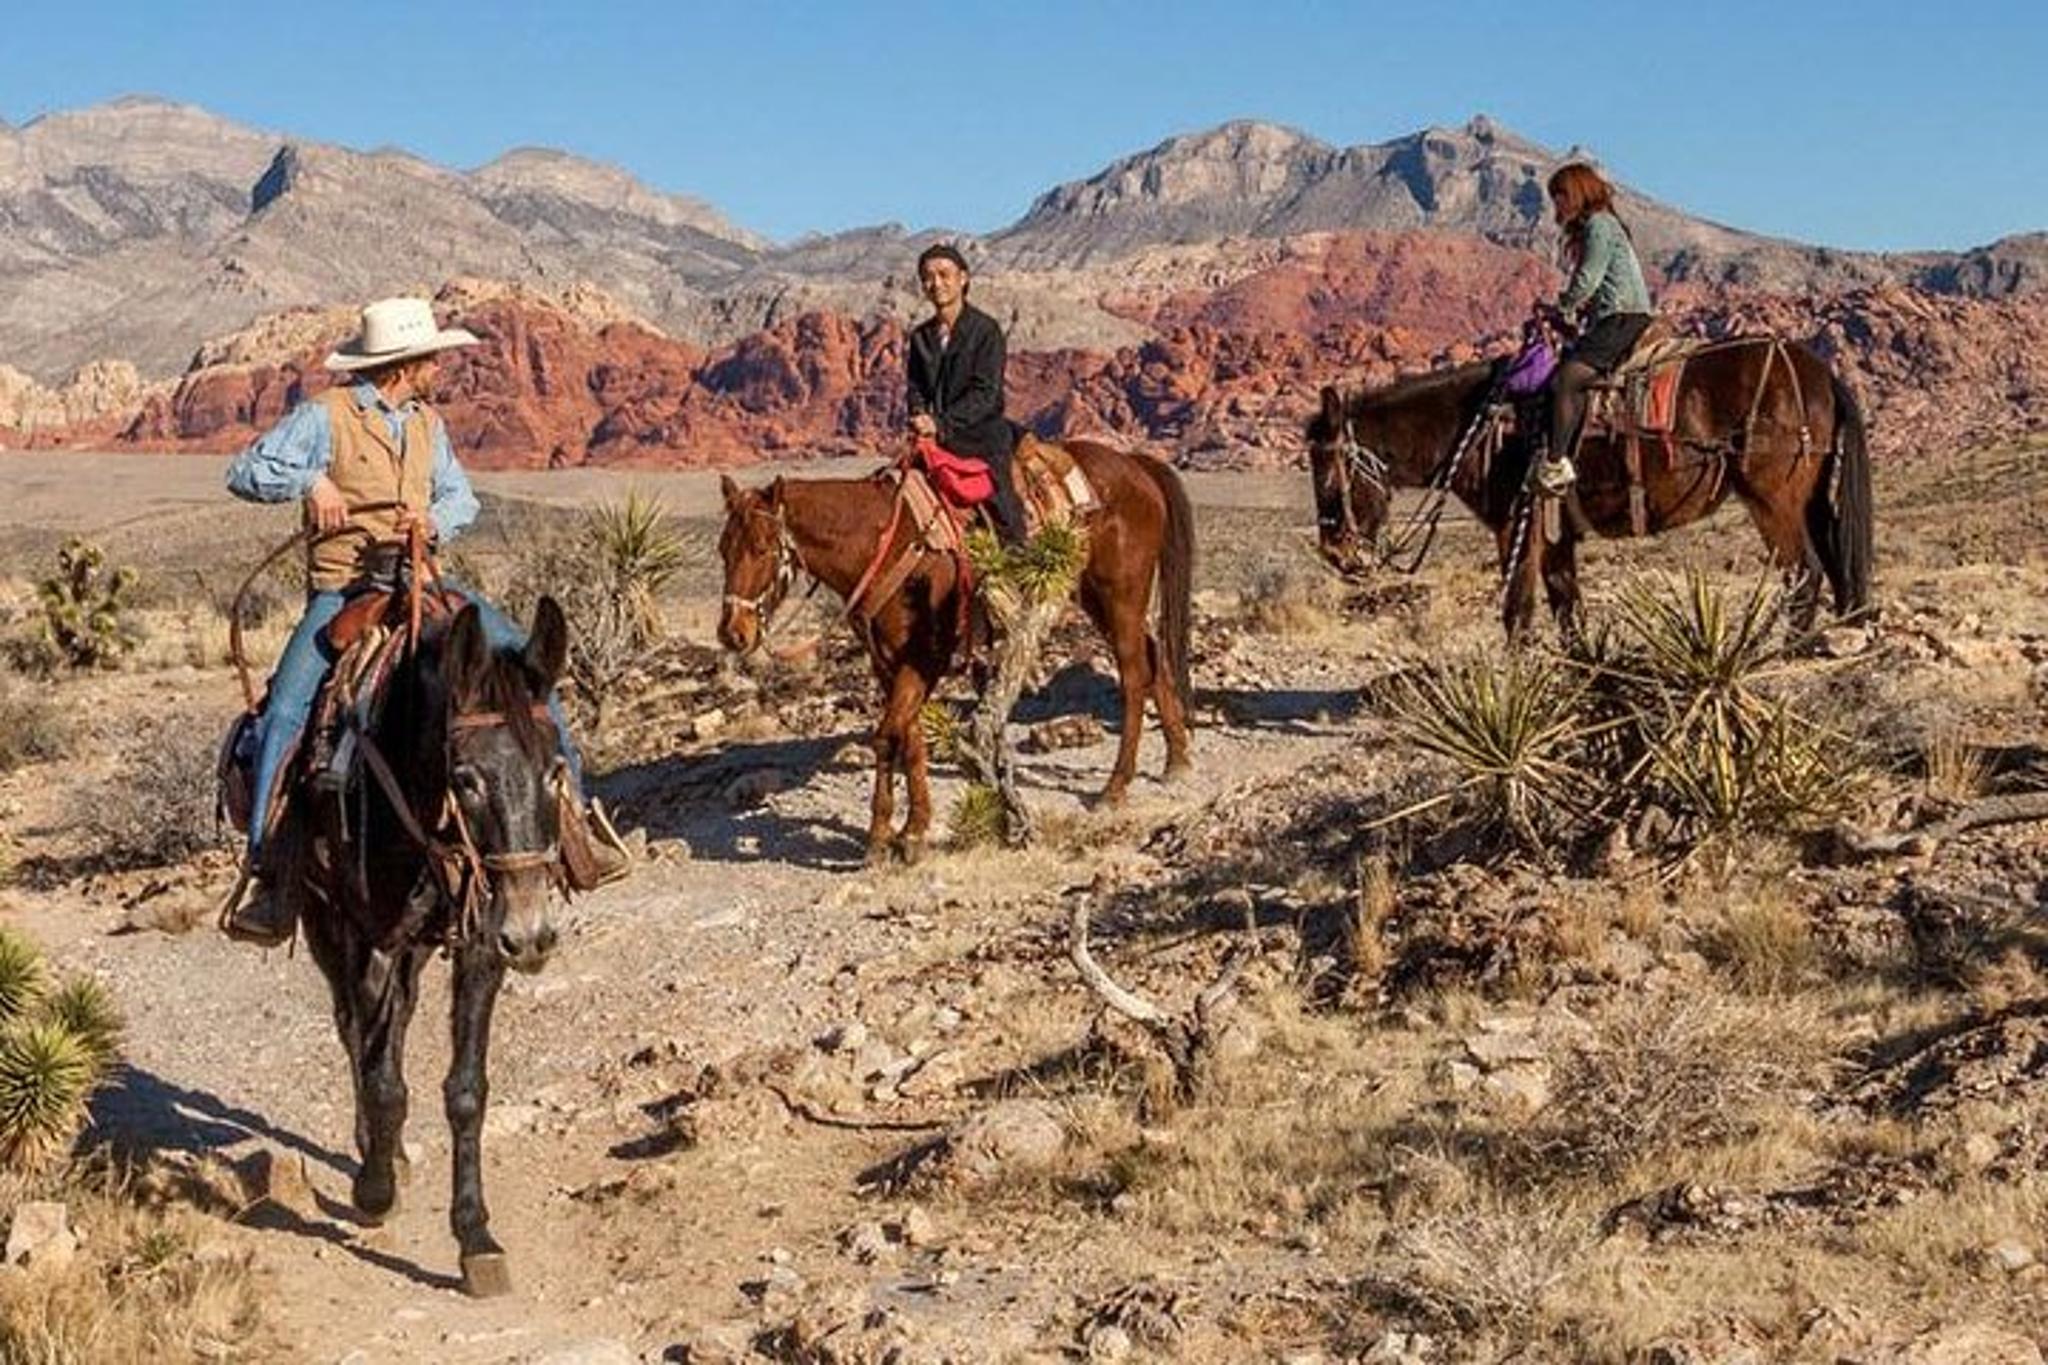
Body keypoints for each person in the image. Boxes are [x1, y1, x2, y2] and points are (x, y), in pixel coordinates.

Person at [222, 296, 623, 946]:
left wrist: (433, 520)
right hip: (345, 591)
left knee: (529, 674)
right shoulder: (326, 416)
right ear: (406, 364)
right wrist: (309, 484)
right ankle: (271, 871)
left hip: (425, 581)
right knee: (288, 710)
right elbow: (243, 471)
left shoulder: (426, 424)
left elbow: (459, 494)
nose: (439, 363)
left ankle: (576, 827)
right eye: (432, 355)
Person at [1536, 162, 1655, 488]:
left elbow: (1588, 278)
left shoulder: (1599, 225)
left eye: (1560, 196)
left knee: (1565, 381)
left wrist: (1561, 306)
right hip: (1616, 316)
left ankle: (1556, 462)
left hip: (1621, 318)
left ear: (1576, 193)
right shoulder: (1605, 225)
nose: (1557, 204)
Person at [905, 244, 1027, 544]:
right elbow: (915, 386)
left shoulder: (986, 331)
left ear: (963, 278)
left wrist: (940, 423)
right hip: (937, 442)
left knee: (1002, 510)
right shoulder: (921, 336)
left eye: (944, 275)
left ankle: (1017, 562)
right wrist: (919, 415)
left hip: (982, 437)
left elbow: (985, 394)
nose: (936, 283)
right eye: (928, 277)